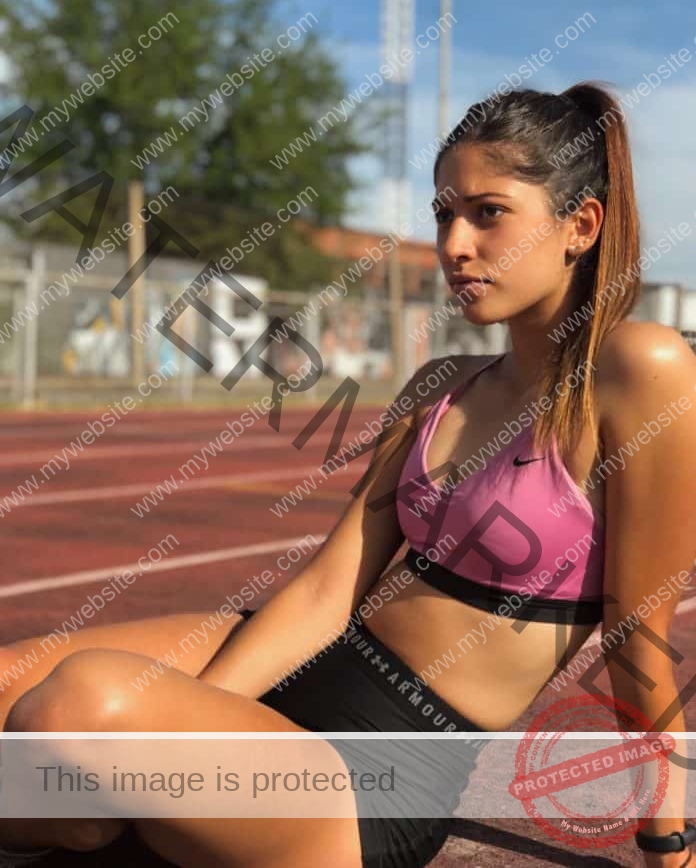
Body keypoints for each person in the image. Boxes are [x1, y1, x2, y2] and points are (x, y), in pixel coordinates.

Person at [1, 79, 695, 868]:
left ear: (581, 225)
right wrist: (204, 716)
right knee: (13, 684)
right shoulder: (439, 384)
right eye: (443, 214)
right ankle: (98, 814)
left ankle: (91, 820)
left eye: (488, 212)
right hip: (301, 674)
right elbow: (331, 588)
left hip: (380, 772)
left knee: (84, 704)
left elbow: (639, 634)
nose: (455, 244)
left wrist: (670, 844)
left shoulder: (645, 369)